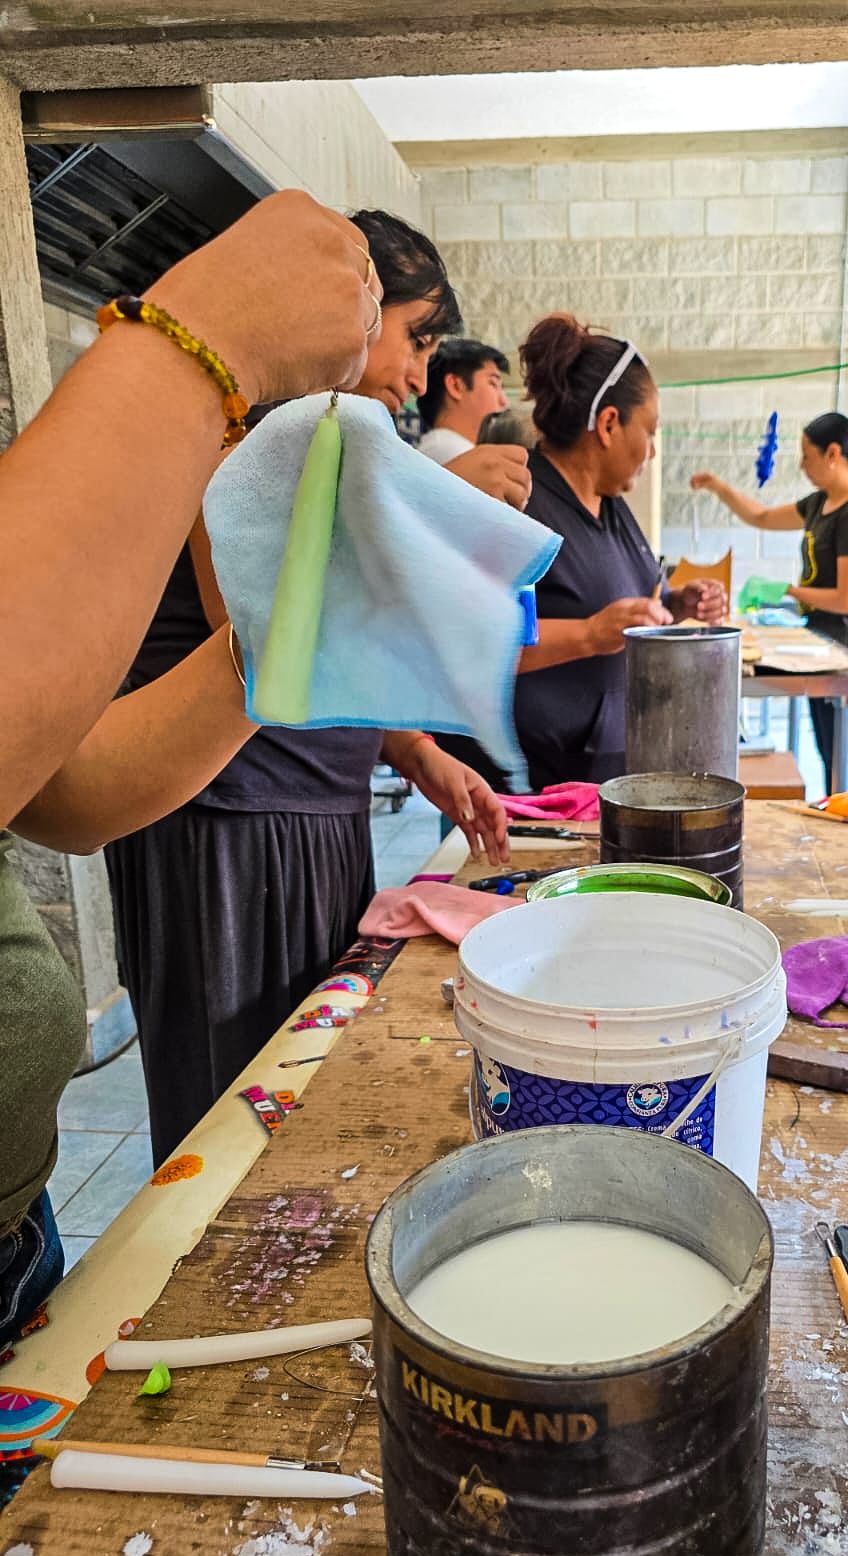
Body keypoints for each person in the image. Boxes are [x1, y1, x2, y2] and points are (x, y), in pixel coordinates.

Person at [0, 192, 381, 1363]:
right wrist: (197, 340)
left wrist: (281, 634)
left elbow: (58, 783)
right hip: (234, 824)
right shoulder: (223, 420)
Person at [103, 208, 510, 1167]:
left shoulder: (335, 439)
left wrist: (414, 751)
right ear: (347, 307)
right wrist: (434, 512)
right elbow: (258, 636)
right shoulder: (234, 426)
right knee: (227, 1114)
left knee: (305, 1089)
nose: (421, 375)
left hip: (316, 815)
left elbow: (342, 653)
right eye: (416, 339)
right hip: (225, 825)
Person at [512, 315, 726, 790]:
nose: (651, 452)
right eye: (650, 431)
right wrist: (589, 634)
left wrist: (677, 603)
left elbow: (630, 598)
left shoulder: (611, 505)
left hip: (609, 772)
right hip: (541, 783)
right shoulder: (524, 503)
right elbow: (481, 642)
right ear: (609, 424)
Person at [691, 413, 848, 792]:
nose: (802, 465)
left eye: (807, 456)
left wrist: (787, 591)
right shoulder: (820, 503)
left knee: (839, 753)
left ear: (833, 454)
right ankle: (838, 807)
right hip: (821, 636)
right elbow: (762, 516)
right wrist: (718, 487)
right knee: (828, 748)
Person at [417, 338, 511, 465]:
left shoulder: (446, 449)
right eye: (493, 384)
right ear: (455, 386)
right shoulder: (450, 452)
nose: (504, 402)